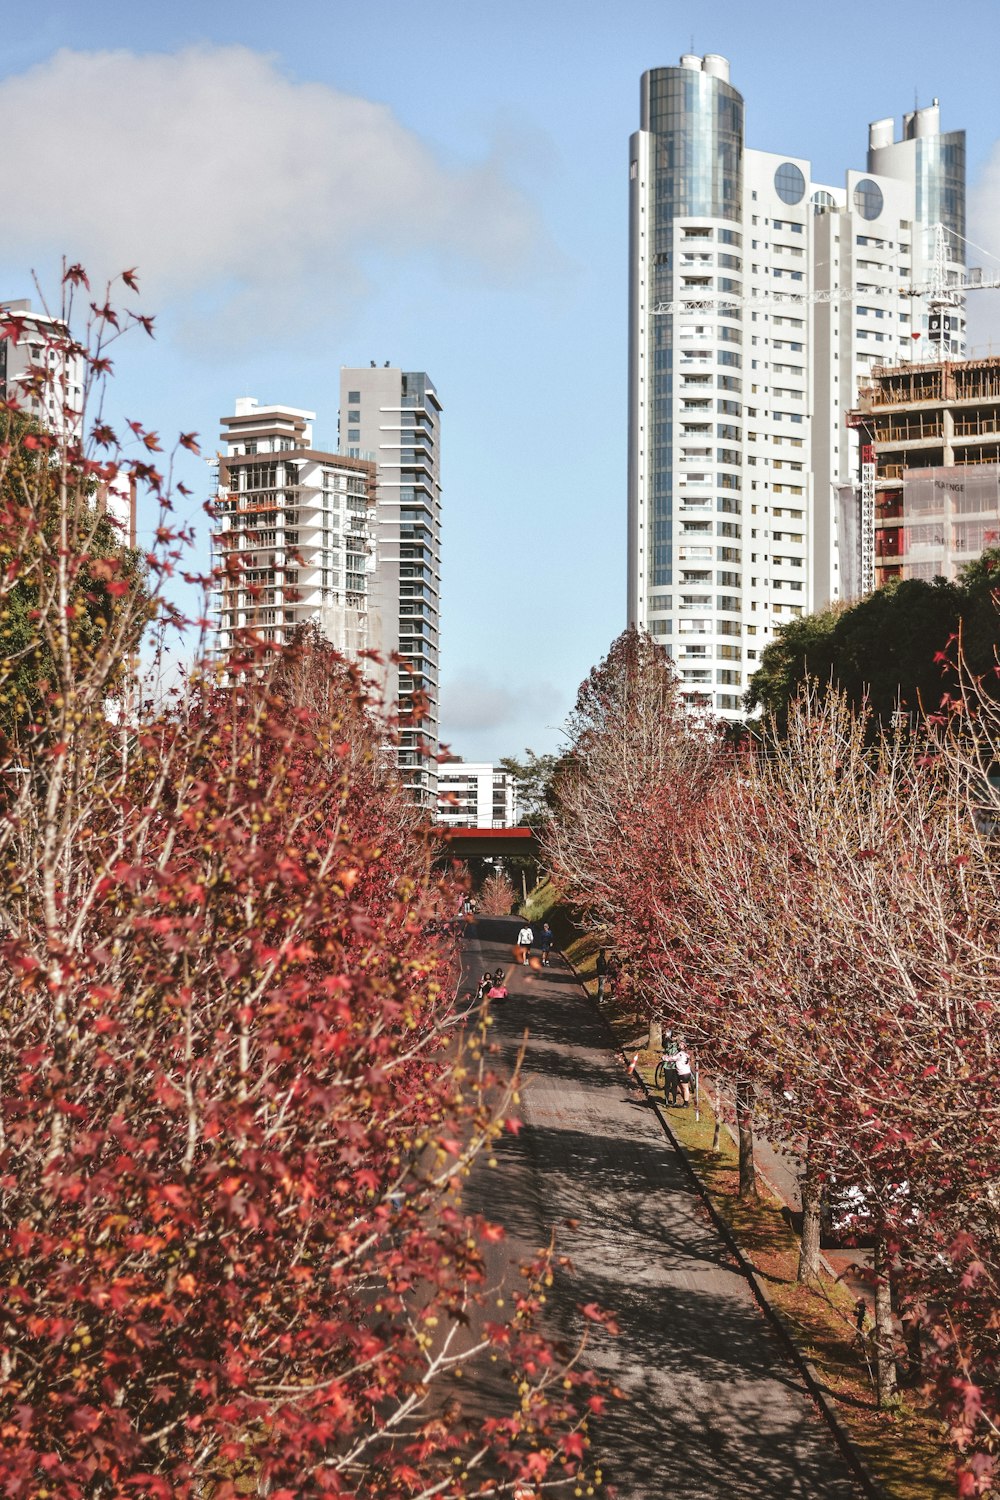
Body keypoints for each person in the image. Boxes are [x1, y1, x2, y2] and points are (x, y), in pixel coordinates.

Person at [661, 1029, 680, 1106]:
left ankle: (674, 1100)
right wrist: (666, 1037)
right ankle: (666, 1100)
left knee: (675, 1084)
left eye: (675, 1037)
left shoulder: (678, 1044)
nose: (673, 1038)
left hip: (676, 1066)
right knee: (667, 1083)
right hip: (668, 1065)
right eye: (673, 1036)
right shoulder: (667, 1043)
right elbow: (664, 1044)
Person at [675, 1039, 693, 1107]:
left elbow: (673, 1058)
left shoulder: (680, 1054)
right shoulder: (686, 1054)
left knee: (685, 1088)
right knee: (680, 1086)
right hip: (684, 1072)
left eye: (681, 1044)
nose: (679, 1045)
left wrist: (664, 1058)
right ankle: (685, 1100)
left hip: (683, 1073)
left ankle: (686, 1103)